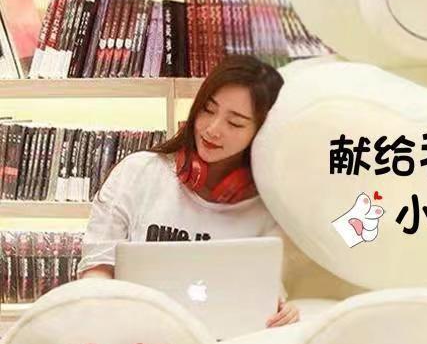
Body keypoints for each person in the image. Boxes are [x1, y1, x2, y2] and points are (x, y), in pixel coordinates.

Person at [78, 55, 299, 328]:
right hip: (133, 333)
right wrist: (101, 307)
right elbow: (97, 270)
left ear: (262, 133)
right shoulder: (138, 172)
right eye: (208, 109)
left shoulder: (267, 208)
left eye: (235, 123)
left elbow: (265, 294)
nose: (213, 129)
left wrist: (282, 311)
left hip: (221, 343)